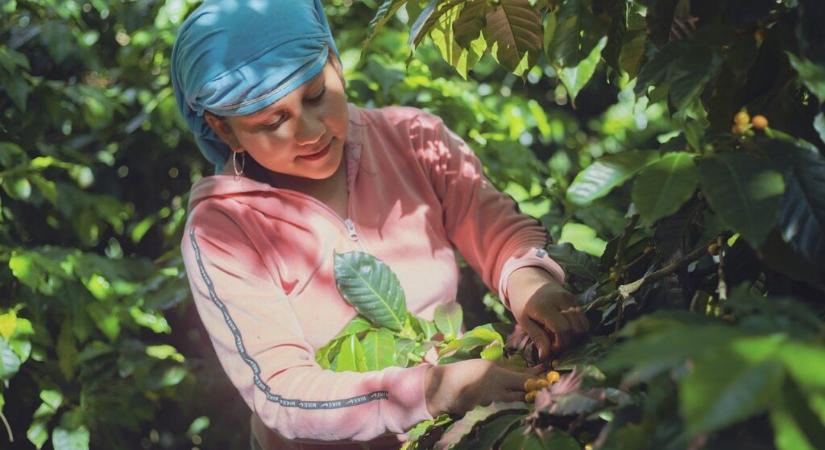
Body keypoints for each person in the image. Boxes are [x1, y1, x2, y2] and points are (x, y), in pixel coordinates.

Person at [171, 1, 588, 448]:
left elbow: (495, 228)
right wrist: (429, 392)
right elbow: (281, 392)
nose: (310, 131)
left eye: (315, 96)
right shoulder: (222, 231)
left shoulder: (414, 141)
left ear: (334, 61)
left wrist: (529, 282)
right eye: (273, 121)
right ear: (225, 130)